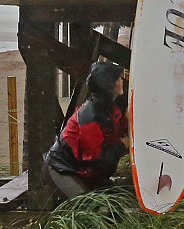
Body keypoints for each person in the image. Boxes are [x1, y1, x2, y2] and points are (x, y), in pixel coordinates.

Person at [43, 61, 129, 198]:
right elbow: (96, 160)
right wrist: (122, 145)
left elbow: (120, 130)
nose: (122, 81)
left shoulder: (110, 108)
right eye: (118, 78)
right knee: (93, 207)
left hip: (82, 170)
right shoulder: (90, 117)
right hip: (61, 170)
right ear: (110, 85)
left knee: (115, 203)